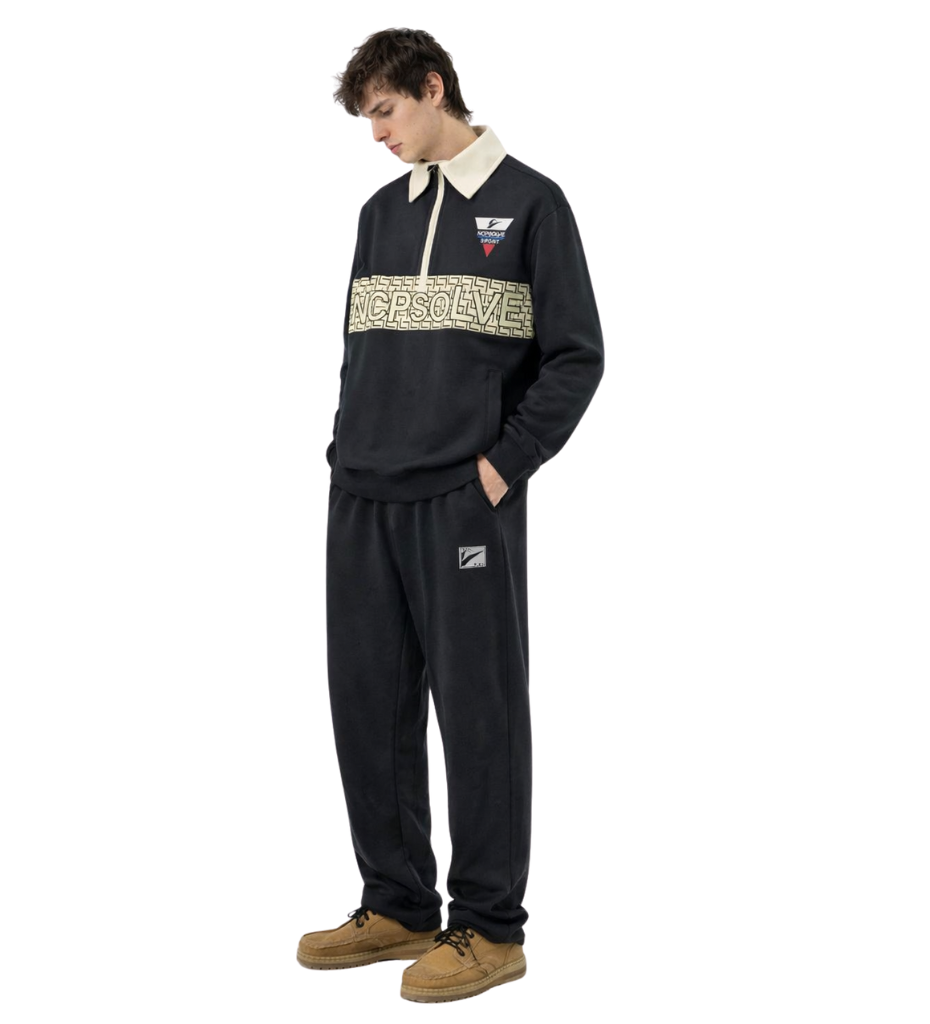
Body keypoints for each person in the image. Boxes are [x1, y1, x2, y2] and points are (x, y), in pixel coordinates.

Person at [296, 28, 605, 1003]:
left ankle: (490, 927)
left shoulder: (532, 203)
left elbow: (576, 356)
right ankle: (397, 903)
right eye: (367, 118)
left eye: (385, 111)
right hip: (363, 493)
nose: (376, 134)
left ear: (433, 88)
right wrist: (346, 451)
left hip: (462, 500)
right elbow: (363, 350)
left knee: (478, 708)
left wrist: (502, 468)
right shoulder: (379, 214)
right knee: (367, 703)